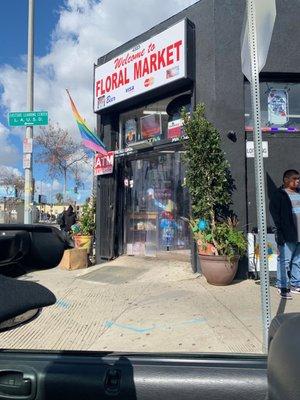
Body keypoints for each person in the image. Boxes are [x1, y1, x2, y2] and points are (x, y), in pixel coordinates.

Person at [270, 169, 300, 299]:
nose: (298, 181)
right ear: (286, 180)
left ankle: (295, 284)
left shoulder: (299, 193)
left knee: (298, 261)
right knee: (284, 260)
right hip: (288, 234)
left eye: (298, 179)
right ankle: (282, 286)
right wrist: (279, 233)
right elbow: (275, 215)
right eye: (295, 179)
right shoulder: (279, 195)